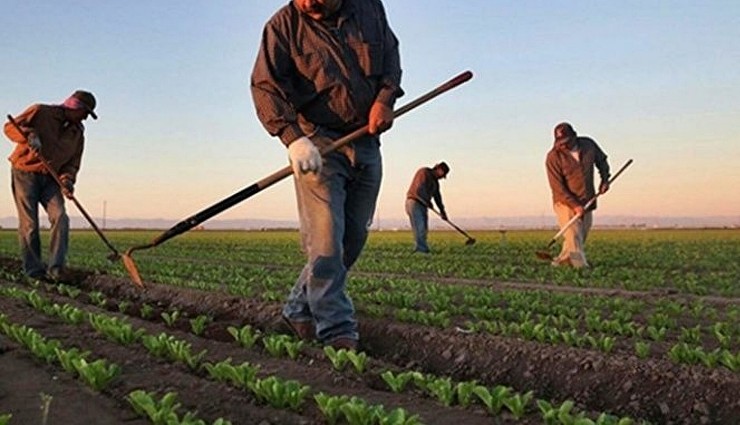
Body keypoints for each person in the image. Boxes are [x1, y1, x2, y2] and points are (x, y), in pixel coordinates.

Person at [250, 0, 402, 350]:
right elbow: (264, 86)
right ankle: (336, 329)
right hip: (316, 142)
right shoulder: (283, 26)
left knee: (351, 241)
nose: (308, 3)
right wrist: (294, 140)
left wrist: (385, 99)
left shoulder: (370, 9)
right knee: (327, 242)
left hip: (365, 139)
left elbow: (390, 58)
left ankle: (296, 310)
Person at [3, 90, 97, 281]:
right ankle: (34, 271)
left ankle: (56, 268)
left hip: (51, 179)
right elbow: (9, 128)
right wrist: (29, 135)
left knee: (61, 217)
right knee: (29, 223)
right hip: (25, 173)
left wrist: (67, 180)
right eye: (85, 113)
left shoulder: (77, 134)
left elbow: (72, 163)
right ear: (73, 106)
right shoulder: (41, 112)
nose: (85, 118)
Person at [545, 122, 610, 268]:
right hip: (564, 202)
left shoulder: (588, 145)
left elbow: (602, 161)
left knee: (579, 236)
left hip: (587, 199)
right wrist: (575, 205)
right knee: (573, 234)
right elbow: (557, 187)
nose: (563, 146)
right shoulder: (553, 157)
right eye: (560, 142)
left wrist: (605, 180)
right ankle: (581, 267)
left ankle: (561, 261)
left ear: (574, 136)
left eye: (566, 142)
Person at [405, 162, 450, 253]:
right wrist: (428, 201)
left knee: (424, 228)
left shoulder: (435, 183)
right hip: (414, 202)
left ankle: (422, 248)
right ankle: (421, 249)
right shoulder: (424, 172)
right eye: (443, 174)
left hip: (423, 204)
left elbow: (438, 198)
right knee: (419, 227)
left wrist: (442, 211)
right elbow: (420, 189)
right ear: (438, 169)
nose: (442, 177)